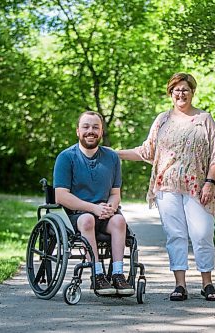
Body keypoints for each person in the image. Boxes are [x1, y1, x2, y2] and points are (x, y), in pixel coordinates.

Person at [118, 73, 215, 301]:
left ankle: (207, 284)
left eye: (185, 89)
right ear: (170, 93)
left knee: (203, 233)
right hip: (166, 187)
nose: (181, 93)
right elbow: (147, 151)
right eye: (176, 89)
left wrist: (210, 182)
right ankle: (180, 285)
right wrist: (114, 153)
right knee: (175, 235)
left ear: (192, 92)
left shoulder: (204, 119)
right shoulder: (162, 120)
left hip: (198, 187)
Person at [53, 110, 134, 296]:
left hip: (104, 213)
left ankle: (118, 274)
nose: (91, 131)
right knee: (88, 219)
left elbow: (115, 194)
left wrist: (111, 208)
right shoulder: (66, 157)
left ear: (102, 131)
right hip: (78, 214)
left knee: (119, 221)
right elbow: (61, 196)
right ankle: (97, 275)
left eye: (95, 127)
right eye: (86, 127)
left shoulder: (111, 157)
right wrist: (93, 208)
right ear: (78, 131)